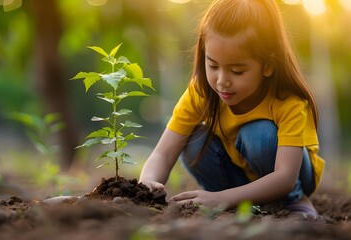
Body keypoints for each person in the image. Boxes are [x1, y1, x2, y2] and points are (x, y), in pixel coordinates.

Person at [139, 0, 325, 218]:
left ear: (268, 66)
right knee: (194, 140)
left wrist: (220, 199)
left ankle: (294, 202)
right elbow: (164, 152)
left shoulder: (288, 101)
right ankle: (240, 201)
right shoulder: (202, 92)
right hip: (239, 179)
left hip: (289, 178)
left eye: (237, 71)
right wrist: (146, 184)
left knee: (259, 135)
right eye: (213, 66)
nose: (221, 81)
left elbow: (285, 177)